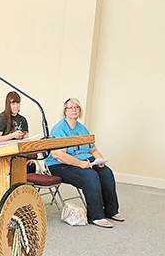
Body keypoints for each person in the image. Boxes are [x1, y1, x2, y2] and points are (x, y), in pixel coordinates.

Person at [46, 98, 124, 228]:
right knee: (90, 176)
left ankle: (111, 211)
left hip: (85, 160)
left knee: (106, 173)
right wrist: (80, 164)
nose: (74, 109)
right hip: (60, 165)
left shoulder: (82, 128)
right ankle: (96, 216)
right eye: (70, 107)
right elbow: (58, 155)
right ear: (65, 111)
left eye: (76, 107)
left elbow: (93, 149)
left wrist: (100, 161)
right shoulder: (59, 129)